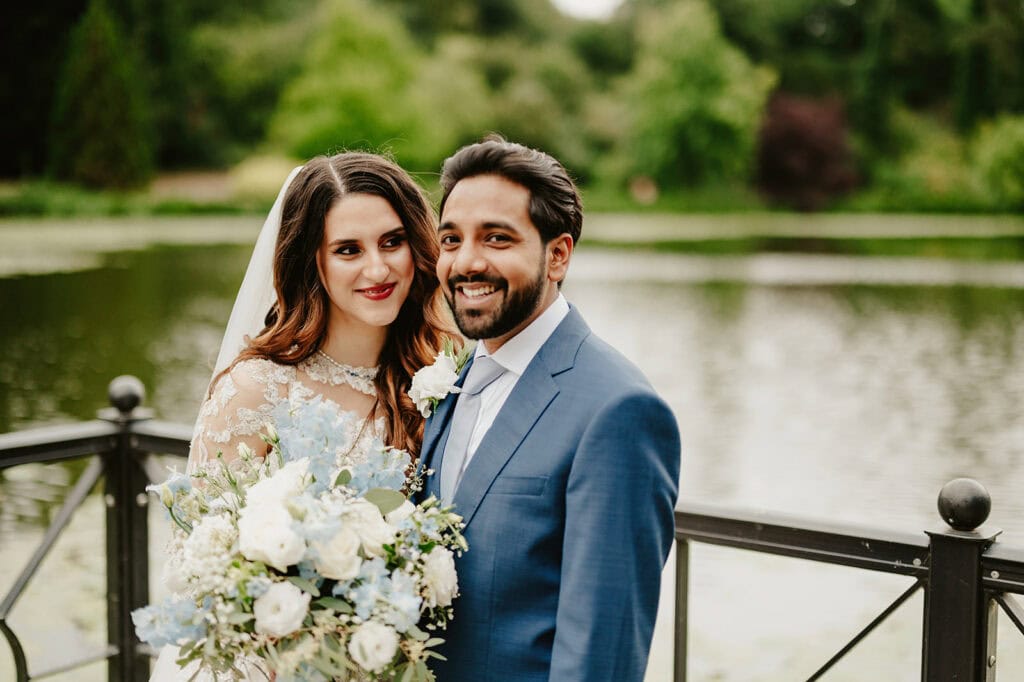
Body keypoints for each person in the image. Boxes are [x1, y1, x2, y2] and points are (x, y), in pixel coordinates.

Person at [150, 152, 455, 681]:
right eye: (348, 250)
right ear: (312, 260)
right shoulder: (256, 390)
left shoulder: (443, 378)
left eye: (391, 241)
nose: (377, 269)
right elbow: (193, 565)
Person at [418, 136, 681, 681]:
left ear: (557, 255)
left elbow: (601, 658)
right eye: (451, 239)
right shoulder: (455, 378)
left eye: (496, 238)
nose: (466, 261)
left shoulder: (619, 411)